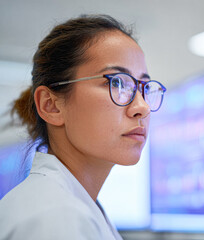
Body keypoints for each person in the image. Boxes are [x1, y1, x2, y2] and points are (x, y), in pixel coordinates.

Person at [0, 14, 166, 239]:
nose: (142, 107)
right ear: (51, 106)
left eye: (144, 87)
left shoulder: (69, 205)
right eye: (117, 82)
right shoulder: (55, 217)